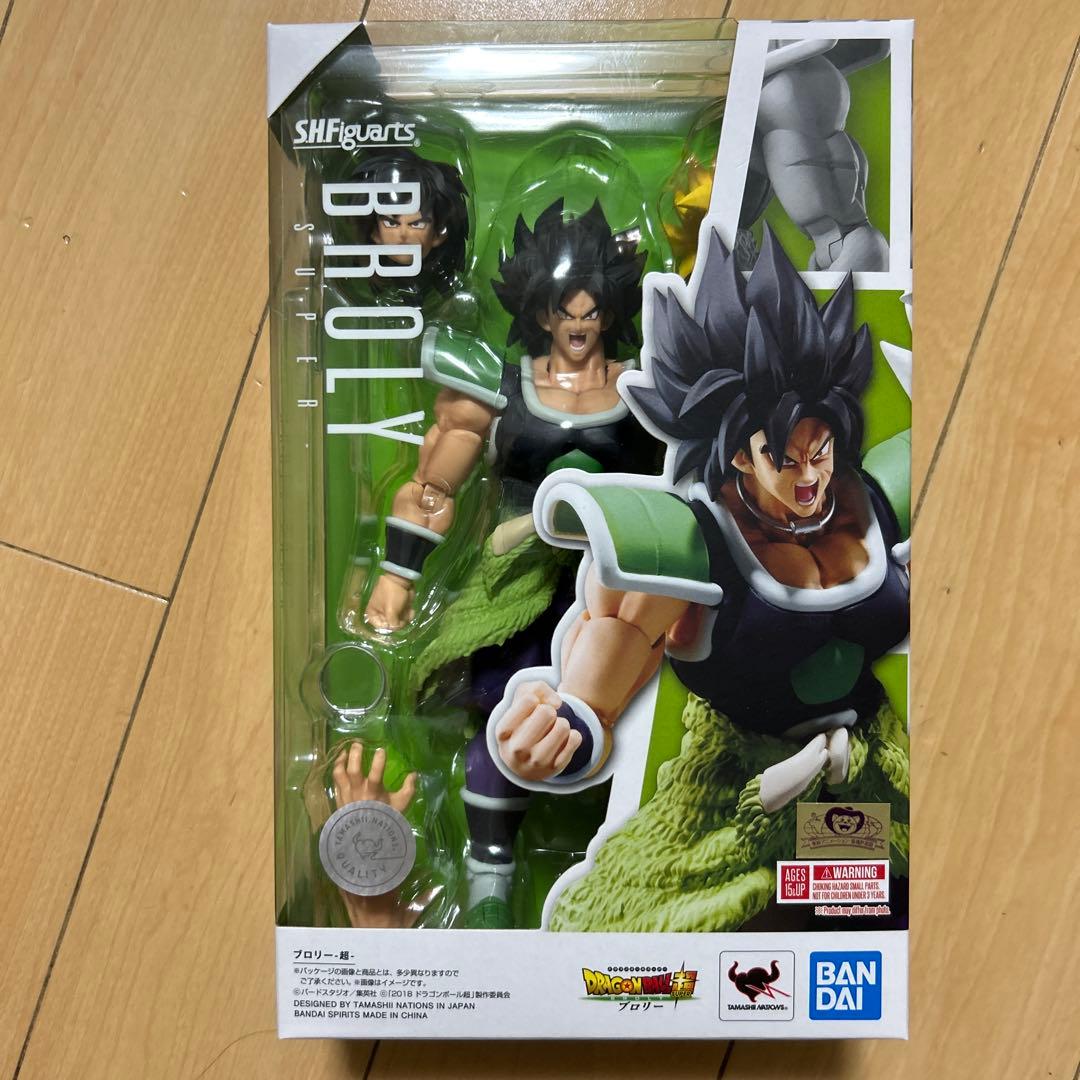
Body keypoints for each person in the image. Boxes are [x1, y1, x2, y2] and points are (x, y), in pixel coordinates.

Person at [489, 226, 910, 931]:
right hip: (735, 791)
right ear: (741, 455)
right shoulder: (689, 540)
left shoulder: (874, 499)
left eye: (822, 451)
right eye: (785, 459)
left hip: (867, 772)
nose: (810, 478)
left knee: (882, 910)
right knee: (644, 934)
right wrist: (557, 735)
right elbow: (599, 683)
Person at [362, 199, 661, 927]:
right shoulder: (496, 387)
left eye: (593, 305)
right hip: (518, 584)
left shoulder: (650, 386)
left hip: (623, 589)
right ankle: (488, 892)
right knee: (501, 741)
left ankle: (628, 889)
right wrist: (396, 577)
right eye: (565, 306)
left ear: (612, 306)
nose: (580, 319)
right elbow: (433, 488)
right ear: (540, 309)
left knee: (635, 739)